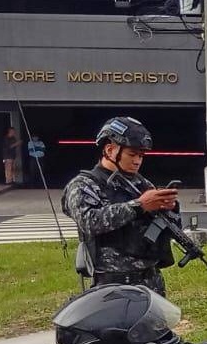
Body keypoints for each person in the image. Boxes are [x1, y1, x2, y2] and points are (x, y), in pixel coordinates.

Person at [62, 117, 180, 295]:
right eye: (132, 154)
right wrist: (139, 206)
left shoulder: (142, 184)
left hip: (151, 281)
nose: (137, 161)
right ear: (110, 150)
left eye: (141, 156)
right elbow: (89, 222)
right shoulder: (83, 185)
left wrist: (169, 208)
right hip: (113, 285)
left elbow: (168, 227)